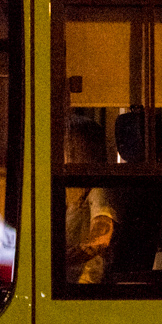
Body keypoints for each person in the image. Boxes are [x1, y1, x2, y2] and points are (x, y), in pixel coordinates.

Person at [62, 115, 116, 284]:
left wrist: (57, 260)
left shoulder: (97, 190)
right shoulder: (69, 190)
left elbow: (101, 239)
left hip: (85, 284)